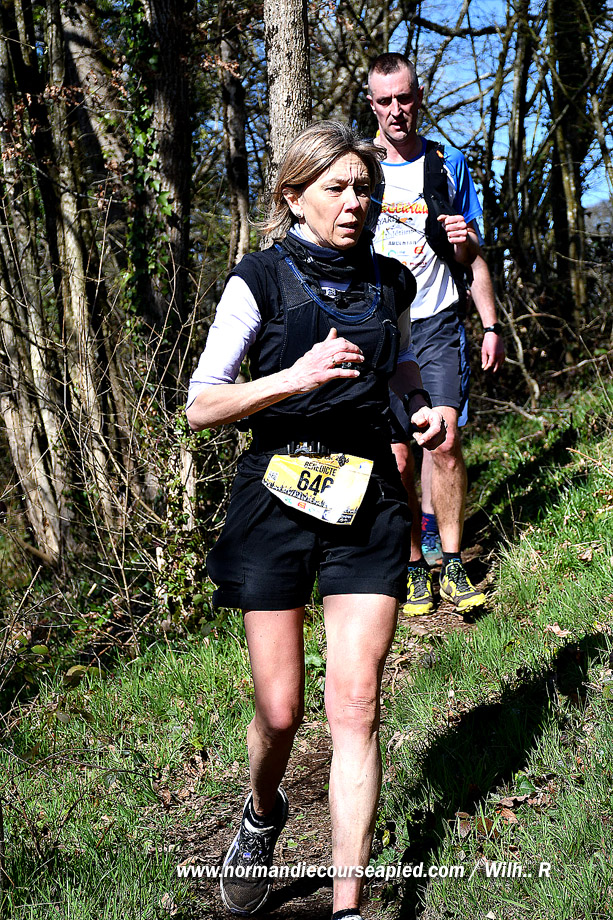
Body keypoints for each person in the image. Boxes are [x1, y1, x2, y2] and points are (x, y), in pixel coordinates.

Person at [186, 121, 445, 919]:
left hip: (366, 497)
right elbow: (201, 405)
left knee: (356, 705)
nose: (355, 202)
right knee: (280, 711)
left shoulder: (390, 280)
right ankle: (262, 815)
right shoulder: (257, 281)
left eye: (365, 188)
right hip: (275, 495)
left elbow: (399, 360)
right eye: (336, 188)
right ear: (294, 197)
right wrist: (291, 378)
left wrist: (416, 401)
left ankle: (346, 906)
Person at [367, 53, 505, 616]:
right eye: (385, 101)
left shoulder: (447, 164)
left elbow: (472, 255)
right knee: (399, 459)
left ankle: (451, 562)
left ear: (418, 97)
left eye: (404, 98)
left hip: (437, 321)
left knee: (443, 442)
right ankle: (412, 565)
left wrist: (491, 323)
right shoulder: (357, 167)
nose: (396, 110)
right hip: (381, 329)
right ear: (371, 104)